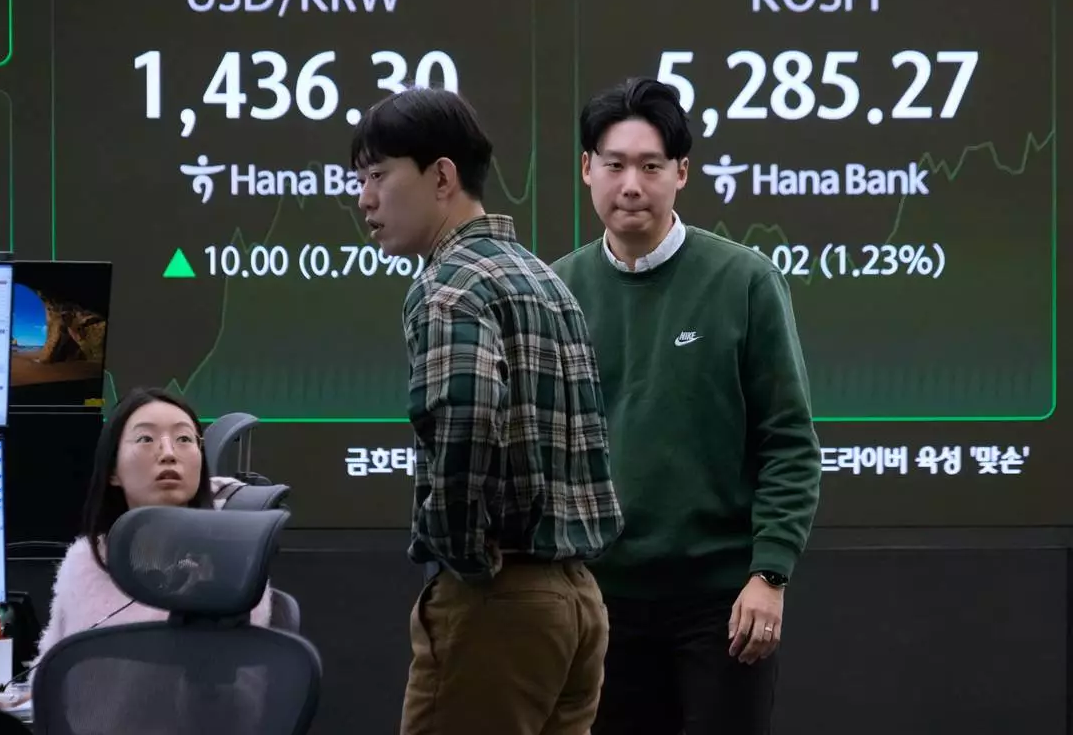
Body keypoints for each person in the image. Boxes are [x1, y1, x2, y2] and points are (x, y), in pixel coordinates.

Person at [551, 77, 823, 735]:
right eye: (614, 165)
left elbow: (789, 442)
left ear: (682, 172)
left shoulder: (744, 279)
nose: (631, 185)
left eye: (651, 166)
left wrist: (770, 574)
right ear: (587, 169)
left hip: (721, 602)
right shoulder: (556, 290)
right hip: (600, 600)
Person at [351, 86, 624, 735]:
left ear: (441, 175)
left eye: (377, 176)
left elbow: (465, 419)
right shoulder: (546, 280)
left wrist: (460, 558)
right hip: (579, 602)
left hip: (498, 600)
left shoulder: (448, 287)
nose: (363, 199)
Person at [0, 387, 273, 707]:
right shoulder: (85, 561)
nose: (168, 452)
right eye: (146, 439)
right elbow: (54, 680)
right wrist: (13, 706)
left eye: (185, 439)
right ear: (113, 471)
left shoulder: (231, 567)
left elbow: (242, 712)